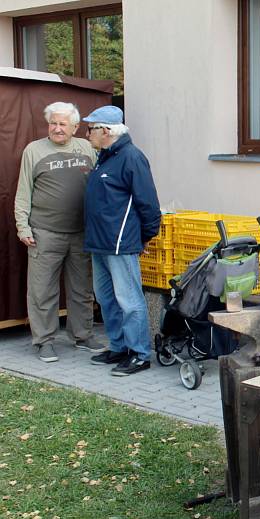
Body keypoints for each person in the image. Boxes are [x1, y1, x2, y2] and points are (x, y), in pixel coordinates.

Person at [14, 102, 106, 363]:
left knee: (81, 289)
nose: (56, 128)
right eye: (53, 123)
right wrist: (23, 227)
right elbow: (23, 193)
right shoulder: (34, 150)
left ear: (75, 127)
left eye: (62, 124)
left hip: (81, 233)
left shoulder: (88, 149)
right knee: (42, 290)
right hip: (44, 233)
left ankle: (82, 335)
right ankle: (44, 341)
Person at [82, 105, 161, 376]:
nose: (87, 133)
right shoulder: (105, 156)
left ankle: (139, 354)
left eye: (91, 128)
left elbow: (148, 204)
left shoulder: (131, 157)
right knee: (106, 298)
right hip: (99, 243)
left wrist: (145, 236)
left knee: (129, 300)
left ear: (106, 131)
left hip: (120, 244)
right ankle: (119, 346)